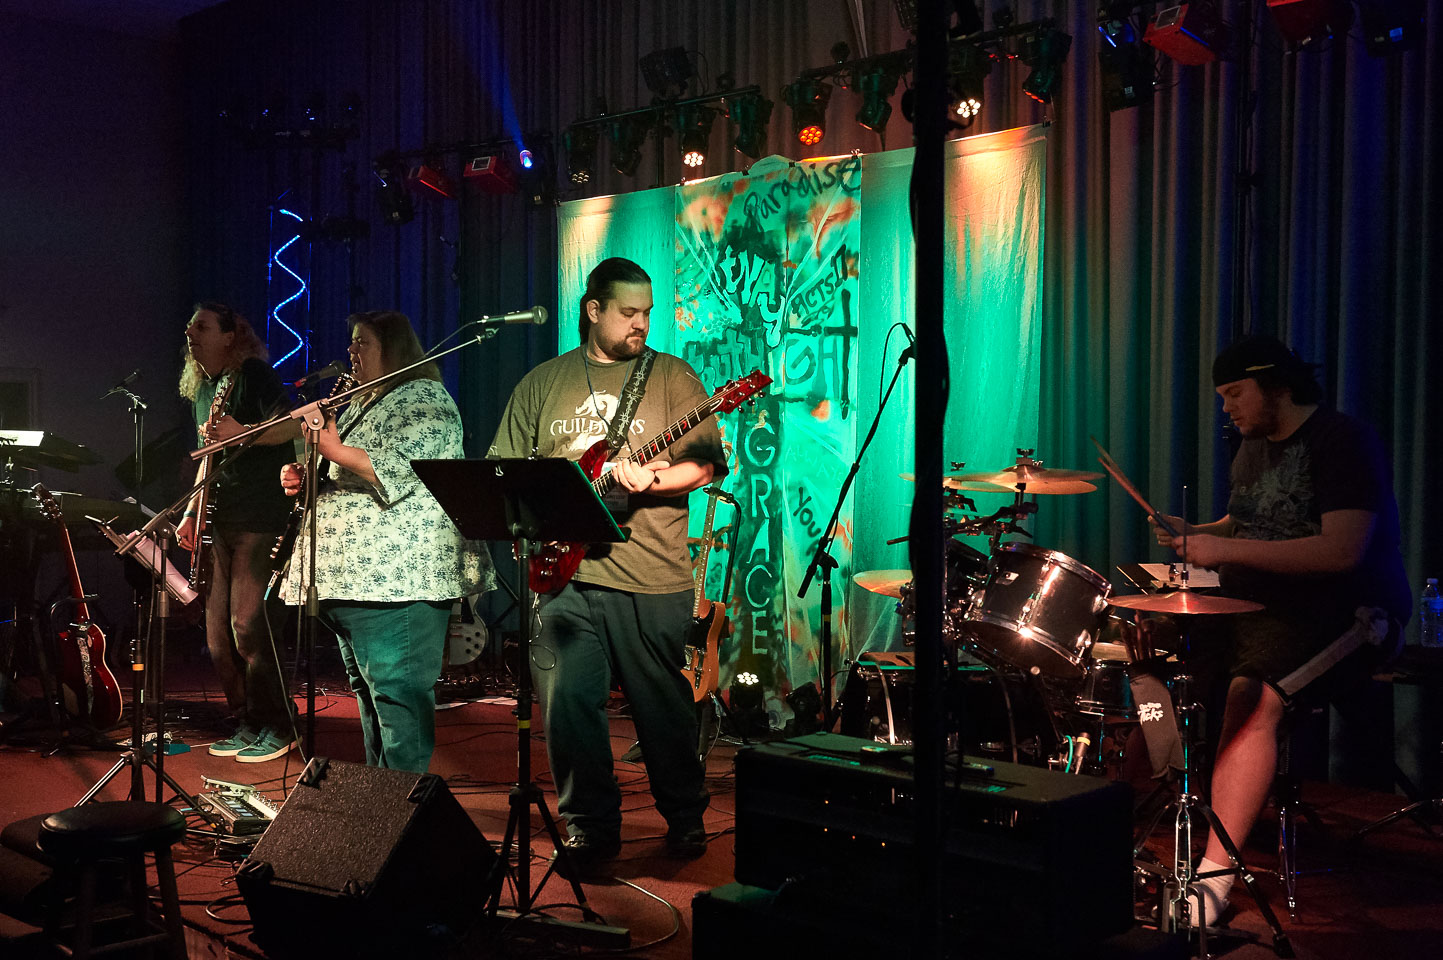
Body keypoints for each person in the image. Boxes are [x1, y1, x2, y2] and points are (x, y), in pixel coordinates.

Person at [1150, 334, 1410, 922]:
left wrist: (1221, 550)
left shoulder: (1342, 441)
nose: (1227, 408)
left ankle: (1213, 878)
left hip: (1353, 613)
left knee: (1255, 693)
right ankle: (1135, 815)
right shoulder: (1252, 443)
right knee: (1158, 647)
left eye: (1235, 393)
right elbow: (1247, 520)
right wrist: (1197, 532)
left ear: (1276, 386)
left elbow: (1341, 551)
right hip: (1263, 603)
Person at [488, 257, 727, 870]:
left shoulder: (672, 376)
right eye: (628, 312)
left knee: (661, 707)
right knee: (569, 708)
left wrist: (652, 479)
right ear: (593, 310)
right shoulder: (543, 382)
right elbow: (505, 469)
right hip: (566, 576)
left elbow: (705, 464)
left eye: (647, 312)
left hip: (649, 573)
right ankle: (589, 828)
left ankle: (685, 814)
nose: (641, 323)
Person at [279, 310, 493, 773]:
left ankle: (403, 807)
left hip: (399, 586)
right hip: (354, 586)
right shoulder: (365, 402)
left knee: (398, 699)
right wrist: (306, 475)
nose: (351, 351)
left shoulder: (426, 398)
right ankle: (381, 802)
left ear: (393, 350)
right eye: (352, 342)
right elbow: (345, 470)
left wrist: (333, 450)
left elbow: (400, 468)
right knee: (373, 697)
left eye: (363, 343)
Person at [176, 302, 299, 763]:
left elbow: (291, 424)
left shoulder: (254, 375)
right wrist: (191, 511)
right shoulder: (205, 389)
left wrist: (243, 432)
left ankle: (280, 723)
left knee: (250, 626)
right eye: (190, 326)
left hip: (260, 519)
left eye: (202, 326)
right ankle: (247, 719)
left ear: (230, 336)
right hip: (220, 520)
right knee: (217, 638)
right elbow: (209, 456)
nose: (190, 333)